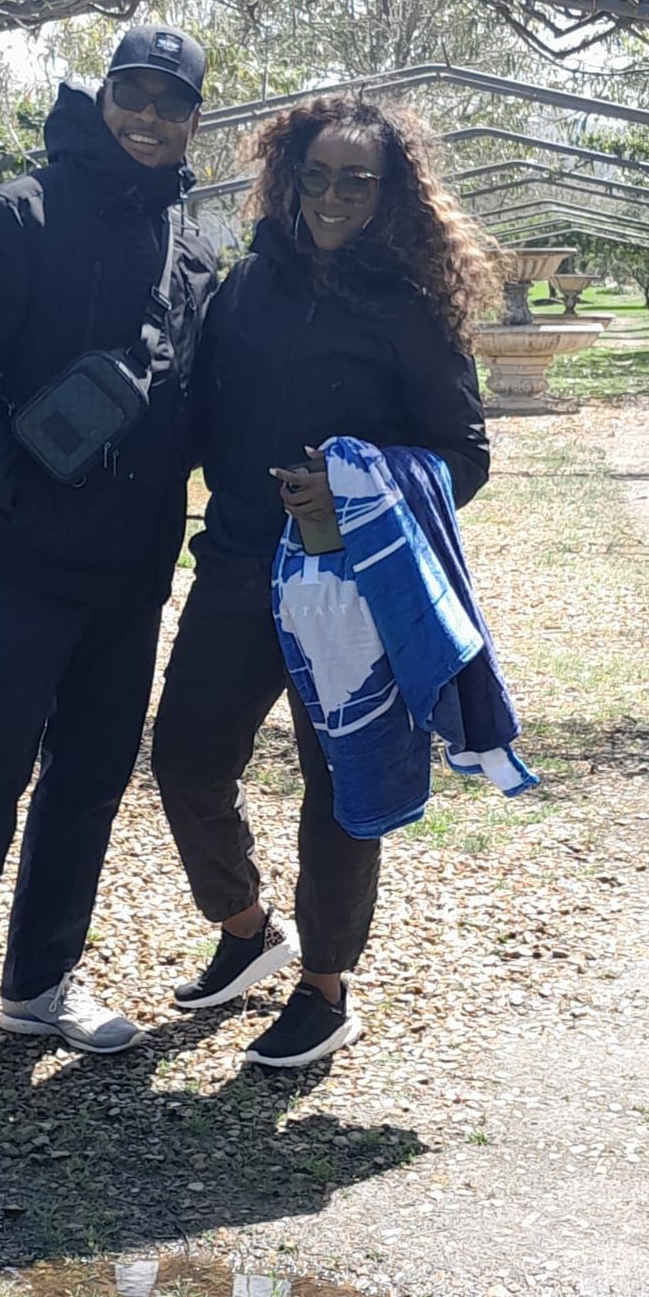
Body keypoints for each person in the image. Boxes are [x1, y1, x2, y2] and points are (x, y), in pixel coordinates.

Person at [152, 94, 499, 1068]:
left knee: (338, 783)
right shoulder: (248, 282)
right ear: (289, 176)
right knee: (185, 757)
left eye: (358, 180)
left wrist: (355, 497)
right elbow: (199, 410)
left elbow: (464, 454)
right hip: (237, 558)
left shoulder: (411, 304)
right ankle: (246, 927)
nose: (335, 195)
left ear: (389, 193)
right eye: (318, 175)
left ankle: (325, 987)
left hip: (346, 584)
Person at [0, 24, 217, 1077]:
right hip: (23, 563)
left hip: (130, 571)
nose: (148, 117)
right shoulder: (16, 214)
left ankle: (39, 983)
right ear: (101, 97)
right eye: (134, 93)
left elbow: (198, 402)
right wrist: (11, 486)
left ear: (193, 122)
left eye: (171, 103)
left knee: (88, 778)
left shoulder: (193, 249)